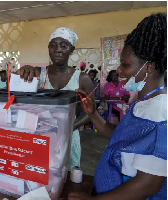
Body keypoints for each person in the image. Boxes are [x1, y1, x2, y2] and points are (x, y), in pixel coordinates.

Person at [70, 13, 167, 200]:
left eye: (125, 64)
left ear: (148, 67)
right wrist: (93, 115)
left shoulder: (160, 113)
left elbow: (148, 185)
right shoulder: (145, 103)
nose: (119, 70)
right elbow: (122, 138)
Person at [16, 27, 94, 170]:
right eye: (53, 45)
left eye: (64, 46)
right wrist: (23, 69)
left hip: (69, 134)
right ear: (48, 49)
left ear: (72, 49)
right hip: (41, 134)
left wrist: (71, 127)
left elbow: (90, 111)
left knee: (68, 174)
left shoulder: (82, 78)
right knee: (41, 171)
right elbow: (16, 93)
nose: (57, 50)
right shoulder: (38, 74)